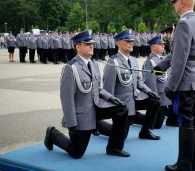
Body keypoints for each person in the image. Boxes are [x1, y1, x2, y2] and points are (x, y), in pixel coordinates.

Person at [44, 30, 130, 158]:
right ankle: (52, 133)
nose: (91, 46)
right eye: (87, 44)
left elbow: (98, 89)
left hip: (96, 107)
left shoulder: (93, 64)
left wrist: (112, 98)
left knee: (122, 109)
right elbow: (66, 99)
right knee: (77, 152)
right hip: (82, 115)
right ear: (78, 47)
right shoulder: (70, 68)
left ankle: (114, 148)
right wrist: (72, 124)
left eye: (92, 44)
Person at [154, 0, 195, 171]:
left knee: (184, 121)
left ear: (182, 2)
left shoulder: (183, 24)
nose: (174, 5)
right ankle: (193, 162)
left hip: (185, 81)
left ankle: (184, 164)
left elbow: (181, 59)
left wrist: (171, 85)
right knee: (193, 120)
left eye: (175, 1)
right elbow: (185, 54)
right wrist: (161, 66)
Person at [97, 29, 161, 140]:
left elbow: (138, 82)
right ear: (118, 43)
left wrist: (149, 91)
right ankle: (97, 125)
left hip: (134, 99)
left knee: (154, 101)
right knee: (121, 135)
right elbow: (108, 88)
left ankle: (145, 131)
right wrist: (113, 109)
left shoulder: (133, 60)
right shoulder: (113, 62)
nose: (131, 43)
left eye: (131, 40)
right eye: (127, 41)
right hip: (122, 103)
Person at [142, 35, 178, 128]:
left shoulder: (163, 59)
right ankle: (135, 118)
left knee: (173, 117)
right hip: (160, 95)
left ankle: (170, 119)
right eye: (160, 44)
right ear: (153, 47)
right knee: (157, 124)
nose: (163, 46)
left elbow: (169, 75)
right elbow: (149, 81)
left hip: (167, 93)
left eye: (163, 44)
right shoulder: (151, 61)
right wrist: (154, 97)